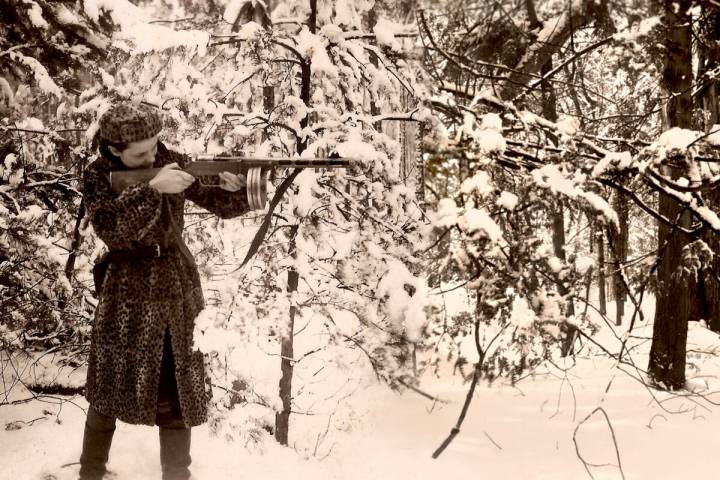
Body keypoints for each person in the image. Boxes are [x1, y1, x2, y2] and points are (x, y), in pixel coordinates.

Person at [78, 102, 250, 480]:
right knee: (107, 391)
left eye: (155, 146)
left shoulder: (171, 160)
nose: (155, 155)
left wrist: (239, 188)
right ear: (113, 150)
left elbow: (220, 203)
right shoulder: (97, 176)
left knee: (177, 398)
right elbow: (113, 230)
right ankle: (89, 473)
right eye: (142, 154)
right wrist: (152, 190)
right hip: (125, 292)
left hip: (175, 291)